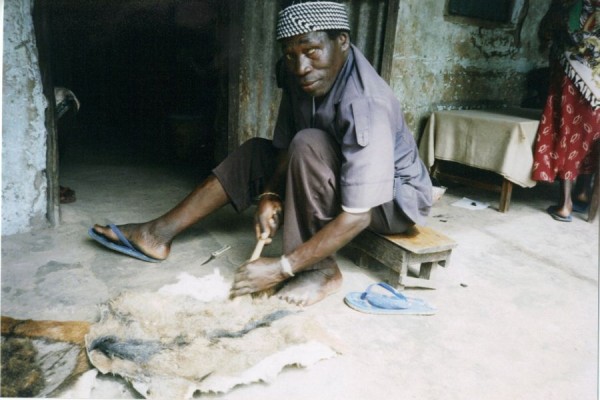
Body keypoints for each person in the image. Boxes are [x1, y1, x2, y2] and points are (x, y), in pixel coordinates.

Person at [90, 1, 432, 306]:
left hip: (391, 201)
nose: (300, 67)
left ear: (341, 41)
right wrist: (270, 193)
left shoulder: (365, 102)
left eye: (312, 51)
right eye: (290, 55)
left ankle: (320, 271)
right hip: (336, 170)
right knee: (258, 151)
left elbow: (358, 214)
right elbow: (285, 143)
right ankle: (156, 234)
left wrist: (283, 267)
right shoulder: (297, 70)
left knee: (309, 144)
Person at [532, 0, 600, 222]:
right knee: (589, 136)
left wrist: (547, 42)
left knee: (566, 134)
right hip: (596, 82)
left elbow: (547, 30)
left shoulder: (569, 4)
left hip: (569, 78)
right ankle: (583, 192)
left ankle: (565, 204)